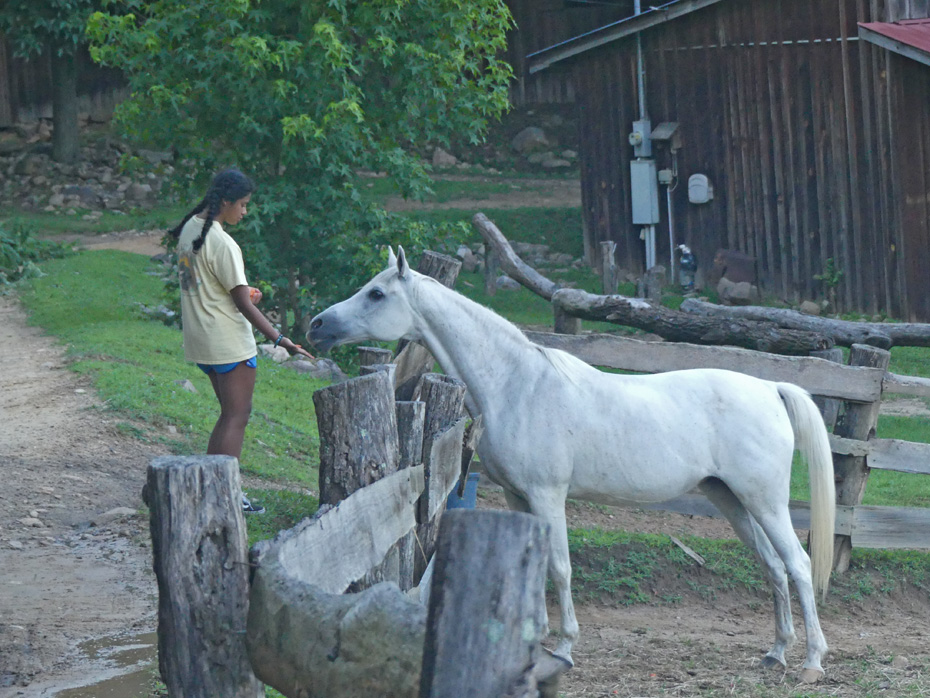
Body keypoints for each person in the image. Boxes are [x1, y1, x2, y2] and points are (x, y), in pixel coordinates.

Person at [170, 168, 312, 514]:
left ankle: (211, 489)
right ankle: (226, 495)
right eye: (243, 205)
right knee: (237, 416)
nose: (245, 212)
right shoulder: (223, 243)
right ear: (227, 202)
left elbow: (194, 285)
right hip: (229, 343)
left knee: (227, 415)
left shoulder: (190, 229)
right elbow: (242, 304)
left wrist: (241, 293)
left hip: (202, 340)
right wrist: (281, 339)